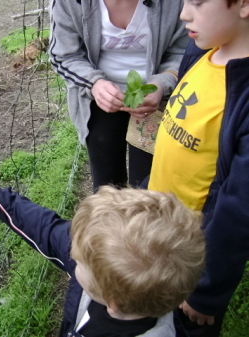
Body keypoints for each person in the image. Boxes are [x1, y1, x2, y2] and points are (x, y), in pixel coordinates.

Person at [0, 167, 205, 337]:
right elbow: (46, 230)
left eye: (77, 261)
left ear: (112, 304)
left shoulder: (99, 267)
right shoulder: (103, 266)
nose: (71, 253)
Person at [146, 0, 249, 336]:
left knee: (186, 327)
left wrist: (207, 289)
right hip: (159, 227)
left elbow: (240, 209)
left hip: (192, 254)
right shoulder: (202, 49)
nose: (183, 13)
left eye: (198, 3)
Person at [48, 0, 189, 189]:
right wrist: (94, 83)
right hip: (98, 101)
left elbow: (184, 52)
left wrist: (163, 84)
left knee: (148, 189)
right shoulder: (70, 3)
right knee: (107, 188)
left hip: (157, 102)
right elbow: (63, 55)